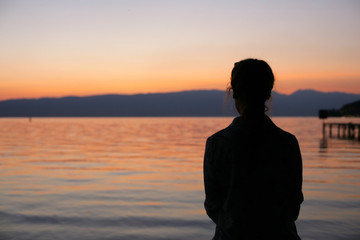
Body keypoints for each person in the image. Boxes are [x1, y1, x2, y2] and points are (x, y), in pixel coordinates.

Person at [203, 59, 303, 240]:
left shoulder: (217, 144)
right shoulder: (288, 143)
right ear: (268, 92)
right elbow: (293, 207)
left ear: (234, 93)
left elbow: (212, 206)